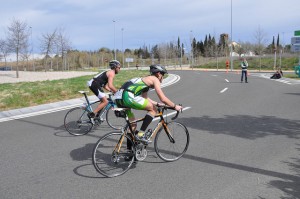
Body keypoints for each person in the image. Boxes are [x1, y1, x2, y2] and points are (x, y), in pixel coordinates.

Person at [114, 64, 182, 142]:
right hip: (127, 97)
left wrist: (157, 103)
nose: (162, 79)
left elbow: (145, 98)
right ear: (158, 73)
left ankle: (130, 151)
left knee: (133, 125)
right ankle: (141, 134)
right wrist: (175, 106)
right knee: (153, 109)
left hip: (118, 99)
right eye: (162, 75)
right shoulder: (154, 79)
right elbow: (163, 98)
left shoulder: (145, 80)